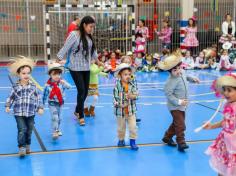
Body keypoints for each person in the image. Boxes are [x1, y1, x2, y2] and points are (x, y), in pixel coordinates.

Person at [57, 16, 102, 126]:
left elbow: (93, 50)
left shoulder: (89, 36)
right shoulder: (74, 35)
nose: (92, 29)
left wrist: (97, 61)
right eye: (90, 26)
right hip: (75, 67)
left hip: (86, 67)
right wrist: (57, 59)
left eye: (93, 27)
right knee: (81, 90)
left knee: (85, 91)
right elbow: (65, 47)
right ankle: (81, 115)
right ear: (84, 25)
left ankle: (77, 110)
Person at [158, 50, 200, 152]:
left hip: (183, 105)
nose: (178, 71)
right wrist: (179, 102)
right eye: (175, 70)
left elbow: (186, 77)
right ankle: (181, 142)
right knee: (181, 124)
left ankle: (167, 137)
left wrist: (192, 79)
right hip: (175, 106)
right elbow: (168, 95)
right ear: (169, 71)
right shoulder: (170, 82)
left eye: (179, 68)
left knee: (176, 123)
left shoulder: (182, 72)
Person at [5, 56, 44, 157]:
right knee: (22, 129)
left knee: (29, 129)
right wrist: (8, 106)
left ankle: (27, 145)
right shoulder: (15, 86)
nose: (26, 75)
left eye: (28, 73)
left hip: (31, 112)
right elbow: (11, 97)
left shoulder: (33, 86)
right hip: (19, 113)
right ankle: (21, 147)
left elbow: (38, 97)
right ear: (19, 74)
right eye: (23, 73)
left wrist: (40, 107)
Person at [204, 73, 236, 176]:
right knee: (222, 168)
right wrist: (212, 126)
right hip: (225, 142)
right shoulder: (227, 104)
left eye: (229, 90)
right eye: (224, 90)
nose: (226, 93)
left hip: (234, 144)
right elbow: (225, 122)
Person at [113, 63, 139, 150]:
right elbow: (114, 97)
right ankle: (121, 139)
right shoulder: (117, 86)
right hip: (120, 112)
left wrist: (133, 96)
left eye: (129, 74)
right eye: (125, 74)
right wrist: (119, 104)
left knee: (133, 127)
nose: (127, 76)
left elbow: (137, 95)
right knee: (121, 127)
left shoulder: (133, 84)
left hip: (131, 111)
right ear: (120, 76)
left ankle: (133, 141)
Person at [42, 62, 71, 139]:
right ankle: (55, 131)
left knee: (59, 118)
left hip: (61, 103)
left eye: (58, 74)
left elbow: (69, 87)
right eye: (54, 74)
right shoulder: (47, 85)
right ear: (50, 75)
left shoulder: (61, 83)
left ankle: (58, 129)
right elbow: (44, 96)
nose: (57, 76)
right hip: (52, 103)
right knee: (55, 117)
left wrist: (65, 83)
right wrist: (41, 106)